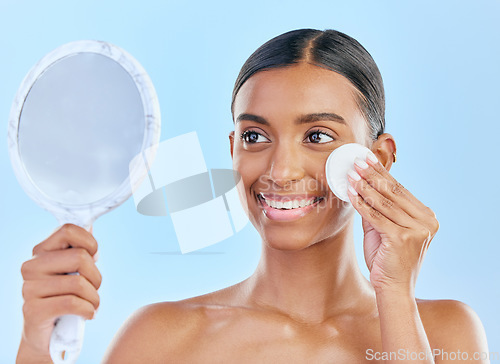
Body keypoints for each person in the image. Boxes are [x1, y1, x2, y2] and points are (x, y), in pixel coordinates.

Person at [17, 29, 489, 363]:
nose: (280, 170)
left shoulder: (447, 335)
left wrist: (395, 294)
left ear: (380, 158)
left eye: (318, 136)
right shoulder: (160, 342)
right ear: (232, 151)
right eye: (255, 137)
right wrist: (37, 347)